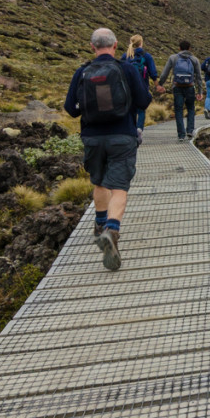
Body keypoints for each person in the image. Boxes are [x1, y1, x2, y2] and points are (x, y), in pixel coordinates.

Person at [64, 27, 151, 271]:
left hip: (92, 137)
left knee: (99, 182)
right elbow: (144, 101)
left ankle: (99, 224)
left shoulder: (82, 72)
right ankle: (112, 229)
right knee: (119, 187)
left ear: (92, 47)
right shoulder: (126, 69)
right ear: (115, 47)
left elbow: (71, 109)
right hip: (122, 135)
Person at [157, 40, 203, 141]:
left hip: (177, 87)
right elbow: (199, 77)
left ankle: (181, 135)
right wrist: (200, 92)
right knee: (191, 108)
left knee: (178, 110)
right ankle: (190, 130)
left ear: (179, 48)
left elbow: (165, 73)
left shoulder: (173, 58)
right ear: (189, 48)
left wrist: (160, 84)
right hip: (190, 87)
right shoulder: (194, 59)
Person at [120, 34, 158, 140]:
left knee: (130, 109)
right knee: (141, 109)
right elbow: (153, 72)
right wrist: (157, 85)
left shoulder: (125, 56)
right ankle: (139, 129)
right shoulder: (146, 56)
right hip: (142, 87)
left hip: (127, 88)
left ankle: (131, 130)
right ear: (141, 43)